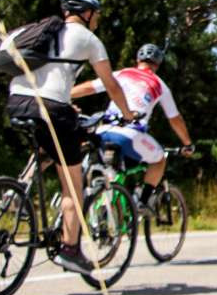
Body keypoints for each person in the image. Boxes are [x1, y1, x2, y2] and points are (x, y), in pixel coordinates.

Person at [6, 0, 138, 275]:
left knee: (48, 145)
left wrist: (65, 103)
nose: (99, 19)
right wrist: (128, 114)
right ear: (87, 13)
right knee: (73, 185)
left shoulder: (42, 30)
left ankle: (18, 191)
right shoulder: (88, 39)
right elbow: (110, 84)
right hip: (53, 108)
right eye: (97, 13)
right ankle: (69, 248)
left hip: (18, 100)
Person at [71, 43, 194, 217]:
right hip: (131, 134)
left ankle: (97, 197)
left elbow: (90, 87)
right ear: (158, 64)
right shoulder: (159, 85)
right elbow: (175, 119)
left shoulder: (122, 73)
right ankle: (141, 202)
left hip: (103, 130)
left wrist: (65, 94)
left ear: (138, 60)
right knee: (159, 160)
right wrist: (187, 143)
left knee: (110, 168)